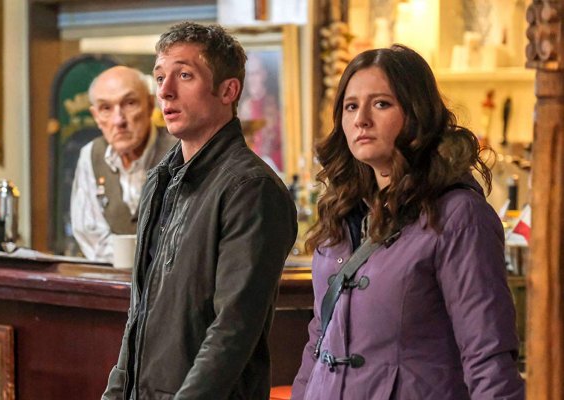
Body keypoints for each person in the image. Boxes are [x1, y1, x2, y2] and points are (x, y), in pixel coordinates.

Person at [291, 44, 525, 399]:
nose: (361, 119)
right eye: (351, 106)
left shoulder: (458, 215)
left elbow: (487, 353)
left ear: (416, 114)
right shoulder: (342, 210)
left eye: (381, 104)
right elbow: (319, 341)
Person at [102, 22, 297, 399]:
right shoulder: (160, 179)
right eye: (160, 77)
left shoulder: (251, 188)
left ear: (228, 90)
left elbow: (232, 331)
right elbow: (137, 318)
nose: (165, 91)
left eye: (184, 75)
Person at [71, 66, 176, 262]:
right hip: (112, 276)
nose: (118, 120)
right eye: (106, 108)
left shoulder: (180, 152)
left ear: (150, 105)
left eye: (129, 103)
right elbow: (90, 235)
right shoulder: (91, 155)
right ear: (95, 116)